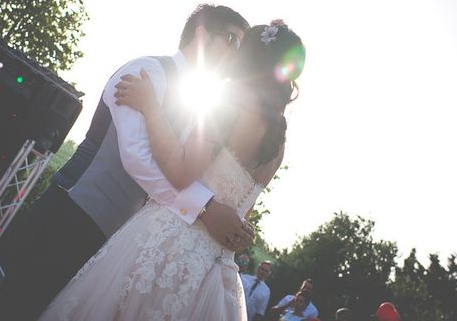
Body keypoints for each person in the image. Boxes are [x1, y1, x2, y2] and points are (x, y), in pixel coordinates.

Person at [0, 4, 253, 321]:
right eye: (232, 40)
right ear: (202, 34)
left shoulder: (200, 109)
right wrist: (204, 208)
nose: (236, 53)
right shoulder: (145, 72)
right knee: (19, 310)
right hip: (72, 215)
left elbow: (183, 167)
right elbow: (136, 158)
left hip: (119, 243)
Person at [38, 20, 306, 320]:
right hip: (213, 268)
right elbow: (240, 212)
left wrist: (151, 106)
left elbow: (180, 172)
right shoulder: (278, 141)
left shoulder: (229, 103)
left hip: (168, 245)